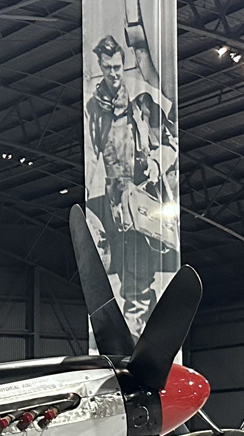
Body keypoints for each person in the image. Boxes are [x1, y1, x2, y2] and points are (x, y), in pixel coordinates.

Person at [84, 31, 179, 337]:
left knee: (138, 280)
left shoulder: (143, 101)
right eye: (107, 68)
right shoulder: (93, 108)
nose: (113, 74)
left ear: (122, 65)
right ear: (100, 66)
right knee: (122, 277)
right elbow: (92, 153)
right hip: (112, 202)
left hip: (142, 200)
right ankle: (130, 340)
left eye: (116, 67)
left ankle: (138, 344)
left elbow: (170, 144)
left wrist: (155, 162)